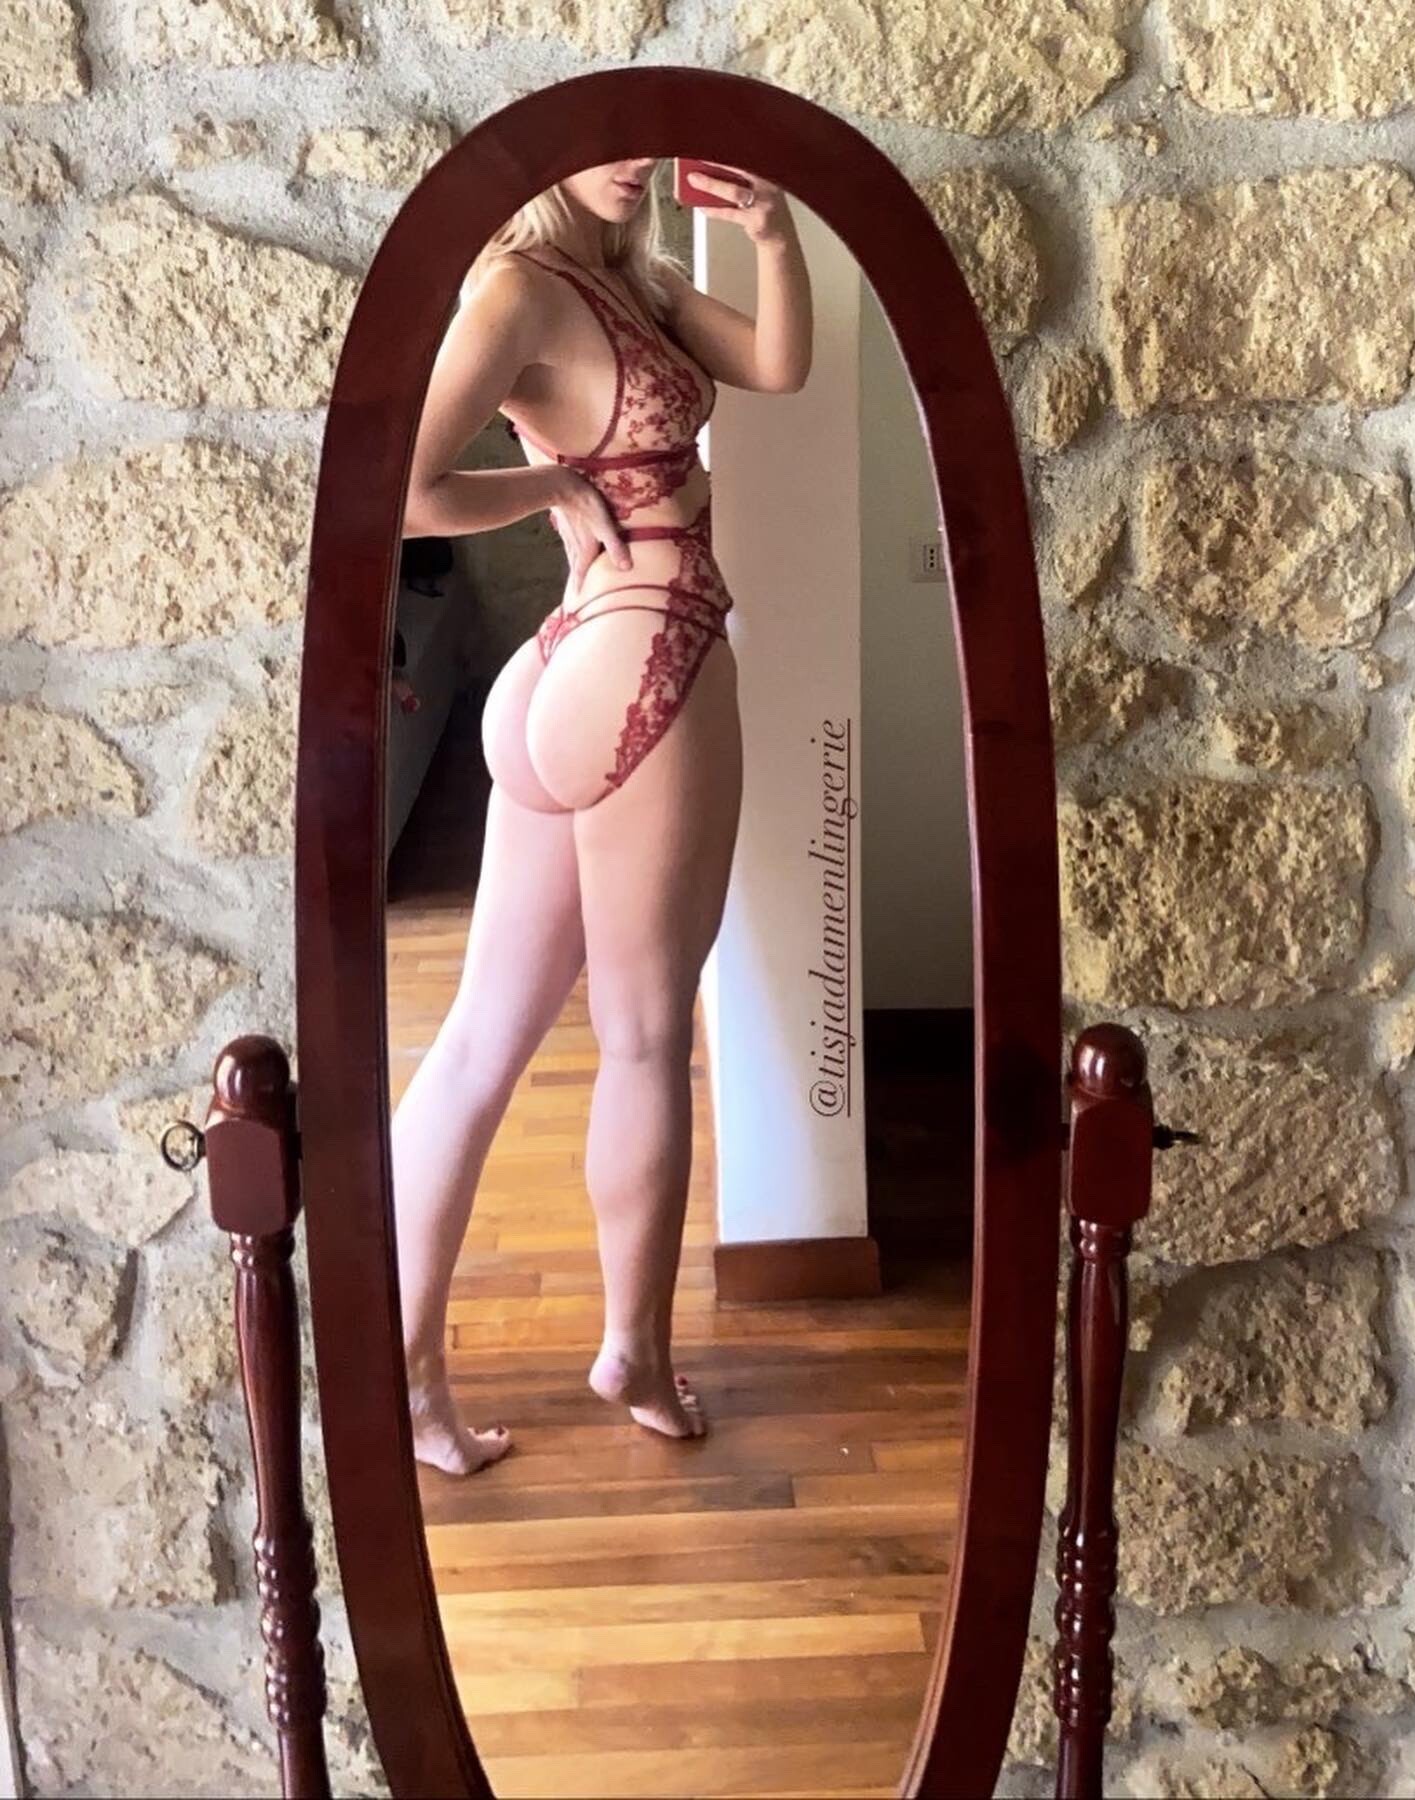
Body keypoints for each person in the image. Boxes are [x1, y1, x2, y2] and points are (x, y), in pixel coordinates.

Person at [394, 156, 812, 1475]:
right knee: (640, 1040)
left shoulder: (634, 279)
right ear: (547, 150)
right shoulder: (519, 287)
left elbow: (779, 365)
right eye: (606, 141)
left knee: (484, 1041)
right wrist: (552, 490)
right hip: (646, 651)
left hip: (577, 662)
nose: (631, 163)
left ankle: (408, 1383)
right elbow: (404, 488)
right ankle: (632, 1354)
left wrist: (774, 233)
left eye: (645, 140)